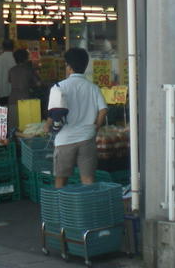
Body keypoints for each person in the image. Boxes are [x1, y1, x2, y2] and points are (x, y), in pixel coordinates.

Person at [45, 47, 107, 188]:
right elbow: (103, 110)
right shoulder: (93, 87)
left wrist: (47, 125)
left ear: (69, 66)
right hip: (87, 138)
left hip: (65, 139)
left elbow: (54, 113)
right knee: (88, 180)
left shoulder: (59, 87)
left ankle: (61, 208)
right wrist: (96, 127)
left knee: (61, 179)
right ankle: (88, 208)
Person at [7, 47, 40, 132]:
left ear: (15, 59)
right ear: (26, 58)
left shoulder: (11, 70)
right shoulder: (29, 70)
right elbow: (38, 83)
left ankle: (14, 143)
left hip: (13, 99)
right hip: (26, 99)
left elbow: (11, 81)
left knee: (13, 127)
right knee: (26, 128)